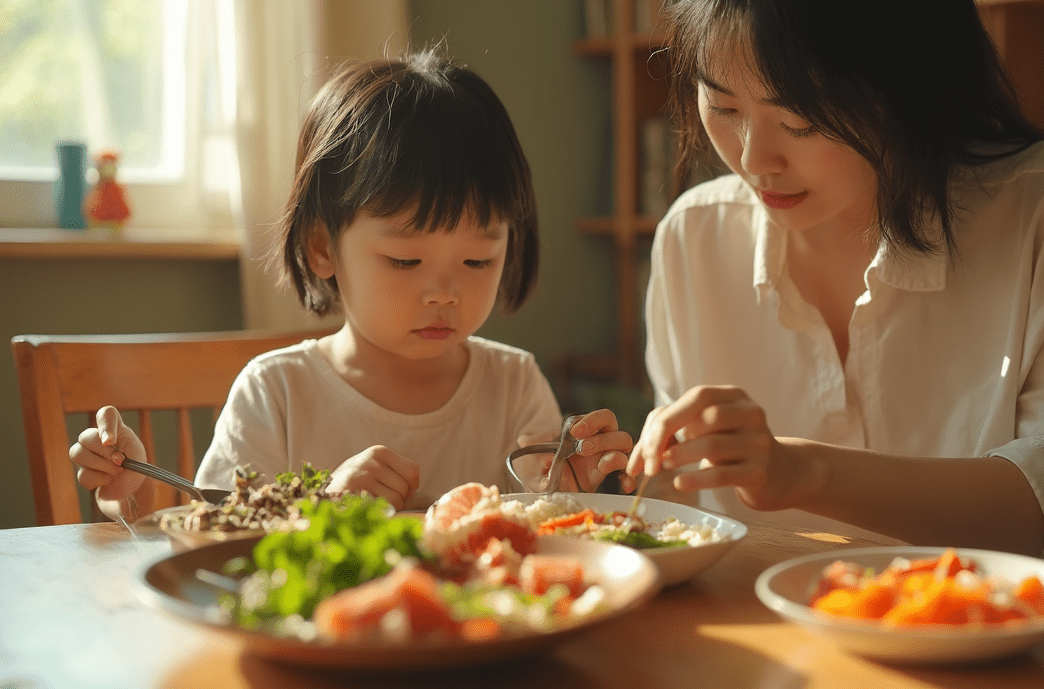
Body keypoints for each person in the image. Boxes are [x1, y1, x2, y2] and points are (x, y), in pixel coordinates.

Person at [622, 0, 1044, 585]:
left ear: (910, 79)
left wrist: (804, 472)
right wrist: (617, 481)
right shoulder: (694, 239)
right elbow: (683, 521)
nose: (754, 161)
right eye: (723, 106)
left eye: (801, 121)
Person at [71, 47, 632, 521]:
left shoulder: (513, 386)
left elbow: (549, 544)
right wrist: (321, 507)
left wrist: (572, 494)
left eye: (478, 262)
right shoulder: (277, 394)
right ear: (322, 249)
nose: (444, 292)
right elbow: (222, 538)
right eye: (406, 261)